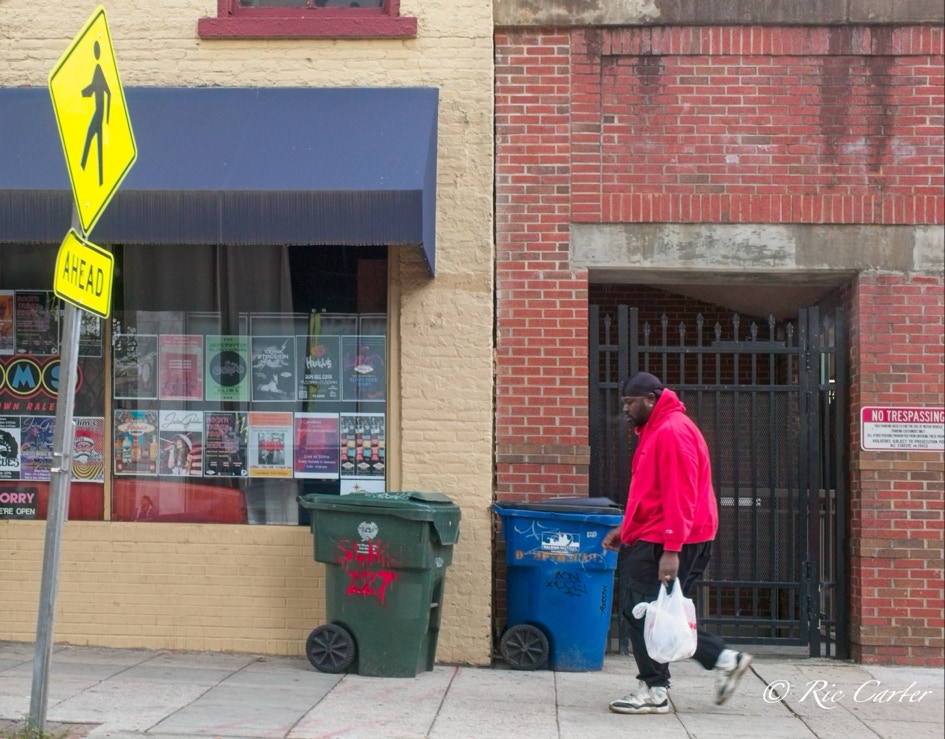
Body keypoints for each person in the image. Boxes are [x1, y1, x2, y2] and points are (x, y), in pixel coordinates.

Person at [602, 371, 753, 715]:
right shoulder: (659, 429)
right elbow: (650, 492)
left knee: (642, 611)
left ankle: (655, 691)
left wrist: (671, 549)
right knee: (657, 612)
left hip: (668, 539)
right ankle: (723, 660)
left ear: (650, 399)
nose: (625, 409)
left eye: (629, 402)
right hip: (664, 534)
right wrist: (627, 528)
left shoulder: (671, 432)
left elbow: (679, 493)